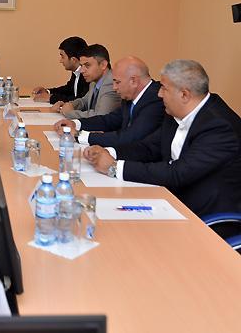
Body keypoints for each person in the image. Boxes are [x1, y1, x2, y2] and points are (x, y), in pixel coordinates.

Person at [84, 60, 241, 217]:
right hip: (171, 198)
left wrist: (114, 167)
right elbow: (149, 147)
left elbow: (178, 173)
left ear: (184, 95)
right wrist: (109, 152)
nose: (159, 94)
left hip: (209, 214)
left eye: (164, 88)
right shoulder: (175, 112)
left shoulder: (219, 127)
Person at [54, 56, 164, 147]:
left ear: (133, 81)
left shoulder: (156, 99)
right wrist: (76, 123)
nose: (114, 88)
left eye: (117, 82)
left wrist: (79, 135)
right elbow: (110, 120)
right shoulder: (131, 95)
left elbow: (130, 137)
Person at [51, 44, 121, 119]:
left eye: (87, 65)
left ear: (103, 65)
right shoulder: (94, 82)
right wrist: (68, 105)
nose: (82, 70)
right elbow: (84, 101)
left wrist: (70, 113)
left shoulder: (111, 84)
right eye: (81, 66)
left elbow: (100, 116)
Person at [32, 36, 89, 103]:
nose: (60, 61)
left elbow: (81, 100)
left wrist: (51, 98)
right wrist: (47, 91)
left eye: (62, 57)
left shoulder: (87, 75)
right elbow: (68, 89)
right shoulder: (76, 71)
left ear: (73, 60)